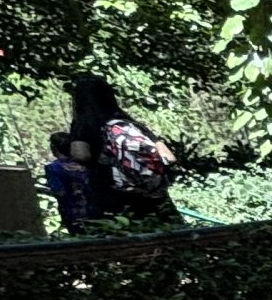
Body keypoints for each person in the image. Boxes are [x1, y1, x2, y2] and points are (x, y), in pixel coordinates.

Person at [66, 75, 182, 224]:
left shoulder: (84, 125)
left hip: (115, 200)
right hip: (156, 197)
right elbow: (169, 157)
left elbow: (81, 155)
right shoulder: (130, 123)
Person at [42, 131, 92, 230]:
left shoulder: (53, 168)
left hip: (71, 212)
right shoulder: (85, 166)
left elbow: (59, 191)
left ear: (54, 147)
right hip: (92, 211)